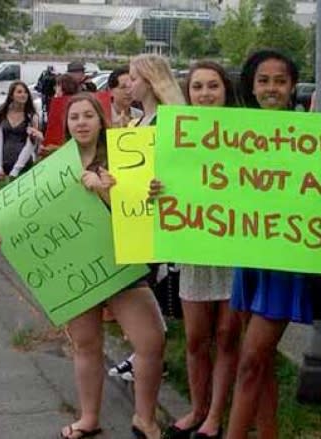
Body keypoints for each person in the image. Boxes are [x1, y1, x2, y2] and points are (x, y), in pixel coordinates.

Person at [0, 93, 165, 439]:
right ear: (66, 125)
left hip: (121, 264)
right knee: (85, 344)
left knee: (151, 341)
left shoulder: (124, 156)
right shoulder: (53, 164)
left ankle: (145, 418)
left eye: (88, 116)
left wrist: (104, 189)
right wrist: (2, 235)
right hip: (75, 270)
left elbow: (141, 209)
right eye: (74, 117)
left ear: (101, 120)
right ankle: (89, 418)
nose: (81, 122)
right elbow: (29, 219)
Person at [225, 49, 321, 439]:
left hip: (286, 262)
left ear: (291, 87)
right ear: (252, 87)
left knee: (250, 361)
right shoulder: (230, 132)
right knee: (261, 363)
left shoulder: (313, 135)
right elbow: (199, 180)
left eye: (279, 81)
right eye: (263, 80)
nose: (271, 88)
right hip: (249, 258)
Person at [149, 61, 240, 439]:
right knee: (194, 338)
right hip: (194, 248)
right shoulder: (174, 135)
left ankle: (216, 415)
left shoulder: (245, 133)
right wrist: (156, 189)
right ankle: (198, 408)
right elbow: (162, 182)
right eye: (198, 87)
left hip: (235, 249)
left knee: (227, 337)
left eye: (213, 86)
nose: (205, 93)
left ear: (225, 91)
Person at [107, 54, 184, 385]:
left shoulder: (166, 119)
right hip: (138, 222)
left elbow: (189, 138)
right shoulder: (138, 121)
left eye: (135, 79)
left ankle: (152, 358)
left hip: (160, 220)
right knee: (146, 289)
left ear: (152, 82)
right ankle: (144, 353)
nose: (129, 86)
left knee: (154, 290)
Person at [0, 81, 43, 181]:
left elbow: (30, 144)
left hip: (24, 164)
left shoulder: (32, 116)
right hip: (4, 163)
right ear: (11, 95)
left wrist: (16, 169)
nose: (23, 95)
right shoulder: (2, 113)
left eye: (25, 92)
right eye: (19, 92)